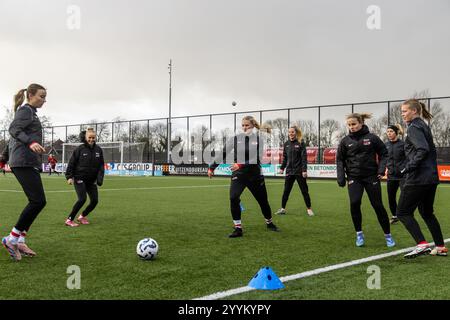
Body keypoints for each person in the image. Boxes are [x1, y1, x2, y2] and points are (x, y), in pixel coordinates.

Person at [208, 116, 278, 237]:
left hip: (255, 175)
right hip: (239, 175)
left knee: (263, 202)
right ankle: (238, 228)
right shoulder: (235, 139)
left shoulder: (258, 140)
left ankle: (269, 222)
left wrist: (239, 164)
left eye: (247, 125)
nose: (245, 128)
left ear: (253, 126)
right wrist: (212, 167)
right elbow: (223, 152)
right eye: (243, 125)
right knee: (233, 198)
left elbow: (256, 159)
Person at [1, 84, 47, 261]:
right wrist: (30, 143)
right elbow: (13, 130)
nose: (44, 100)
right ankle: (11, 239)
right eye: (41, 96)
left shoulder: (30, 113)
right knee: (38, 201)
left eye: (45, 97)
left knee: (38, 202)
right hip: (23, 162)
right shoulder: (26, 111)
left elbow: (13, 138)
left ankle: (19, 239)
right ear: (31, 95)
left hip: (26, 161)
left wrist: (4, 157)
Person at [397, 99, 447, 258]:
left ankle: (421, 244)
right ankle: (440, 247)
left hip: (418, 178)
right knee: (426, 212)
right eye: (402, 111)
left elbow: (422, 150)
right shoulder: (422, 125)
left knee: (403, 213)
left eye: (405, 111)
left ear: (414, 111)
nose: (402, 114)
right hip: (430, 178)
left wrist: (408, 167)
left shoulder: (414, 127)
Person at [336, 113, 395, 248]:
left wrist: (381, 170)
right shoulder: (345, 141)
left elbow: (384, 154)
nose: (352, 127)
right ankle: (359, 234)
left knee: (377, 205)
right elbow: (340, 159)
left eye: (354, 124)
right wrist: (341, 176)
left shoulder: (372, 138)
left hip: (371, 177)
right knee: (355, 203)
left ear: (361, 123)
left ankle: (388, 235)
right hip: (354, 177)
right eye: (349, 125)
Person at [64, 128, 105, 227]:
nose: (91, 139)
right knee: (82, 199)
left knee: (94, 201)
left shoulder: (98, 150)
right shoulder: (79, 149)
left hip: (91, 180)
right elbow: (71, 163)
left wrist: (99, 178)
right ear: (86, 137)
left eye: (93, 137)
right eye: (89, 137)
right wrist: (69, 177)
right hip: (79, 178)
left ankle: (82, 216)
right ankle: (69, 219)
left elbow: (101, 165)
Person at [275, 125, 314, 216]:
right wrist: (282, 168)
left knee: (304, 191)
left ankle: (309, 209)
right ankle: (283, 209)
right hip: (289, 171)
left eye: (292, 132)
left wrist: (304, 170)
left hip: (299, 171)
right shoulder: (286, 144)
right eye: (289, 132)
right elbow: (285, 158)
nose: (290, 134)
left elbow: (304, 158)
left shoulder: (301, 143)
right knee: (286, 191)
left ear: (296, 133)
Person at [385, 124, 406, 224]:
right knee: (391, 197)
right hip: (391, 176)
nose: (389, 133)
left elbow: (409, 158)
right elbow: (384, 159)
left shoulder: (403, 144)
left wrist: (404, 169)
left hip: (403, 176)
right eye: (388, 132)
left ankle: (405, 215)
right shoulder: (386, 145)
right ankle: (395, 216)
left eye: (391, 131)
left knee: (405, 197)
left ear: (396, 133)